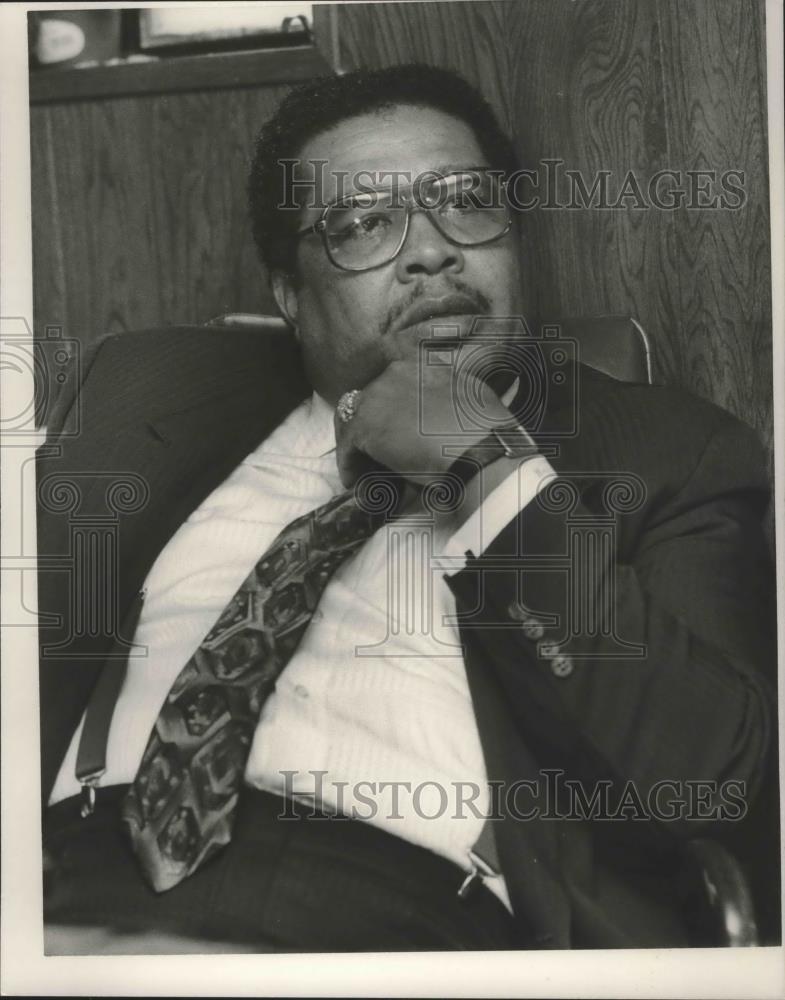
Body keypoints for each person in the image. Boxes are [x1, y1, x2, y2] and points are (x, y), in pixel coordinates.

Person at [37, 64, 776, 953]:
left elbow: (709, 782)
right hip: (64, 888)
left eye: (465, 201)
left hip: (395, 913)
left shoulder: (663, 450)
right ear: (290, 299)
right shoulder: (143, 399)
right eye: (363, 225)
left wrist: (489, 467)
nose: (431, 251)